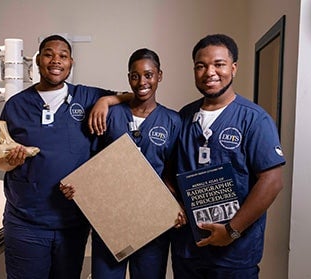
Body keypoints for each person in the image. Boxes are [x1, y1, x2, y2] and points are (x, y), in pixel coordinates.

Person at [0, 34, 131, 279]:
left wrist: (105, 101)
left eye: (63, 56)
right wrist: (9, 161)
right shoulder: (16, 105)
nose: (56, 60)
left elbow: (133, 96)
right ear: (38, 60)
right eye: (48, 54)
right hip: (26, 222)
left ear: (71, 63)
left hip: (71, 223)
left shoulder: (86, 97)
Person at [61, 48, 186, 278]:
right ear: (128, 78)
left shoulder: (173, 120)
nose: (142, 82)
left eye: (148, 75)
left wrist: (176, 202)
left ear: (159, 76)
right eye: (135, 75)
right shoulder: (109, 114)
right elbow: (91, 162)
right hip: (111, 218)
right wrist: (77, 187)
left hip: (152, 221)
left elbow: (172, 169)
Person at [170, 34, 286, 278]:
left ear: (233, 68)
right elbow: (169, 172)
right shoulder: (183, 117)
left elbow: (272, 181)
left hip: (233, 255)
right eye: (201, 66)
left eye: (219, 64)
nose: (209, 72)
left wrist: (231, 231)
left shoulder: (254, 119)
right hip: (188, 251)